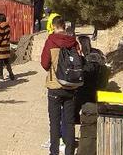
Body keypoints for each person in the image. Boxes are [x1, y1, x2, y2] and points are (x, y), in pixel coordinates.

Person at [41, 16, 81, 155]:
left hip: (54, 87)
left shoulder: (51, 41)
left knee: (54, 122)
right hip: (70, 86)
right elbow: (79, 60)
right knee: (69, 122)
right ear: (64, 26)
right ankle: (69, 152)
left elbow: (45, 64)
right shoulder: (73, 42)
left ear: (53, 26)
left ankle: (54, 152)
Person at [74, 35, 108, 124]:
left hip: (86, 90)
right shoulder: (97, 53)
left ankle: (75, 118)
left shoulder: (81, 57)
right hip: (99, 88)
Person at [0, 13, 15, 81]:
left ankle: (0, 75)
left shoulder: (1, 27)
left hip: (1, 47)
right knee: (7, 62)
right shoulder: (7, 26)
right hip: (6, 46)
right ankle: (11, 74)